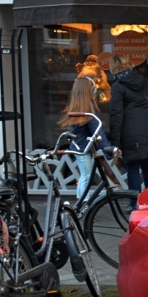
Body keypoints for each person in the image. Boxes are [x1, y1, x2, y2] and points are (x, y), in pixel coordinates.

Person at [108, 52, 148, 196]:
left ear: (114, 67)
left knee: (132, 167)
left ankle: (134, 202)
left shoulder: (118, 86)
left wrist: (115, 141)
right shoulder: (146, 81)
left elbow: (116, 115)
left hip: (131, 132)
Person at [57, 76, 116, 206]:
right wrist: (107, 150)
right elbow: (97, 132)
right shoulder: (89, 109)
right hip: (84, 148)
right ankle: (83, 205)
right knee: (86, 177)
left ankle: (80, 203)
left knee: (84, 176)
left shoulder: (77, 106)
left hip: (80, 147)